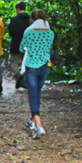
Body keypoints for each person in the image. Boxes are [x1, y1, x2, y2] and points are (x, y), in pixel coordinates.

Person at [19, 9, 54, 139]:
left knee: (32, 94)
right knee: (37, 93)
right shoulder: (50, 33)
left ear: (33, 19)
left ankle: (38, 125)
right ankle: (33, 119)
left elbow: (21, 47)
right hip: (45, 66)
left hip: (31, 66)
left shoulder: (28, 31)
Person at [8, 1, 30, 89]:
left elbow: (11, 33)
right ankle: (24, 79)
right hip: (28, 46)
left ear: (17, 8)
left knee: (13, 61)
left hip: (16, 45)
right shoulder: (31, 19)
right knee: (26, 63)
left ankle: (18, 75)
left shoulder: (14, 19)